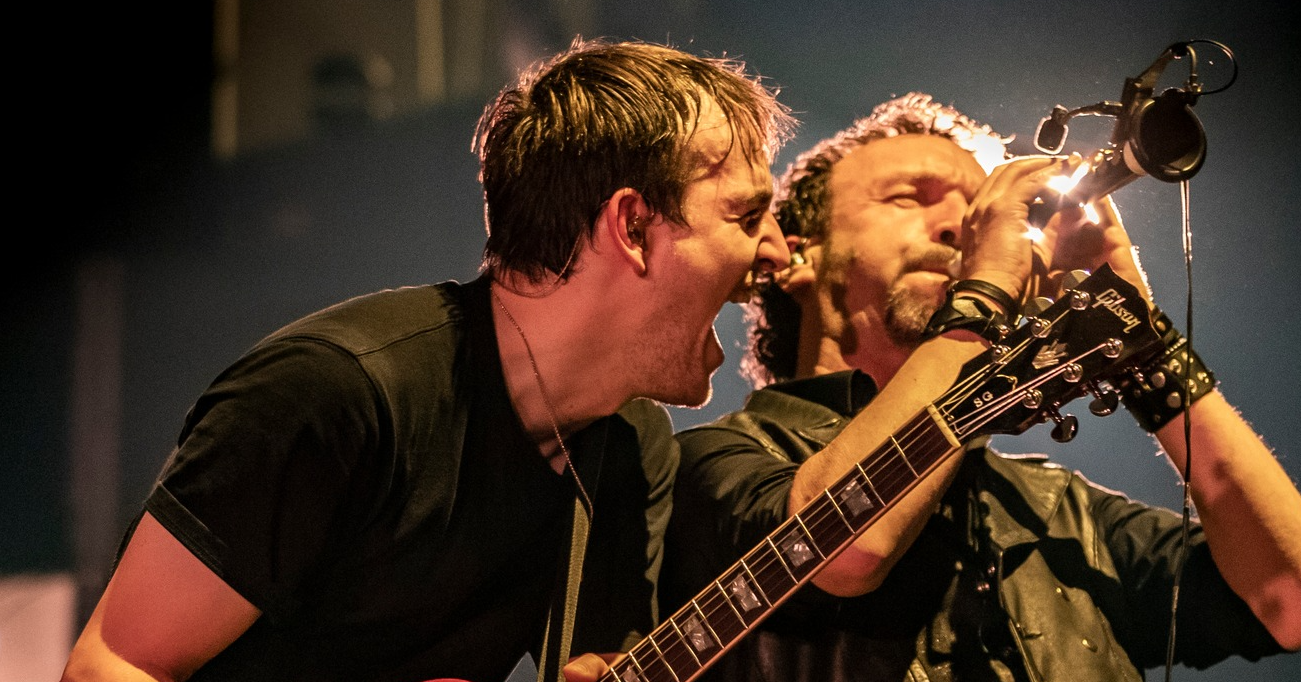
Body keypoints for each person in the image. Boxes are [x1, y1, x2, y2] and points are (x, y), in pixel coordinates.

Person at [60, 39, 794, 682]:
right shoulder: (336, 393)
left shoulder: (631, 447)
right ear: (632, 227)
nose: (777, 253)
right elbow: (114, 664)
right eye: (746, 215)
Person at [660, 93, 1301, 681]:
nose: (963, 225)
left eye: (978, 210)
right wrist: (981, 297)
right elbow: (848, 547)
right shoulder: (708, 463)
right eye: (913, 197)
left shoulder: (1055, 509)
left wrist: (1143, 342)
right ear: (800, 257)